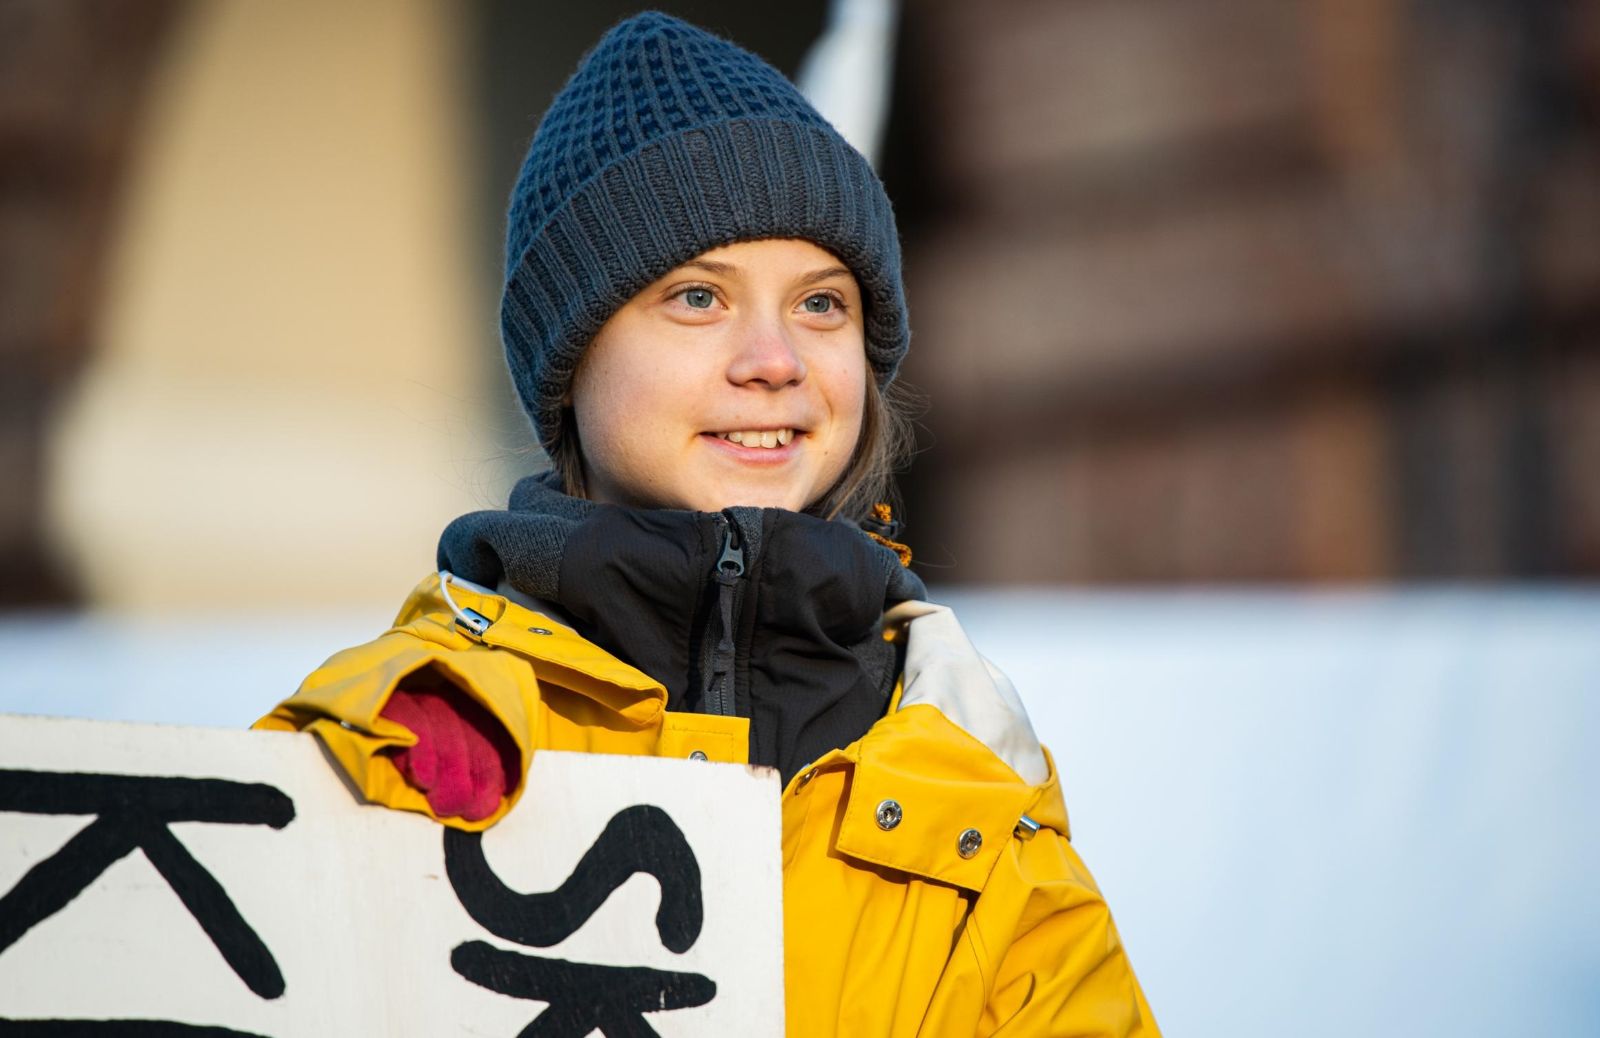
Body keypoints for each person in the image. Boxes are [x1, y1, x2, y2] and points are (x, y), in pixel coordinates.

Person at [256, 11, 1159, 1035]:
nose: (774, 360)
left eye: (822, 305)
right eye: (697, 297)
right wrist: (359, 753)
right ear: (570, 360)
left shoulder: (973, 776)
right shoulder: (410, 722)